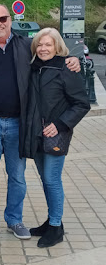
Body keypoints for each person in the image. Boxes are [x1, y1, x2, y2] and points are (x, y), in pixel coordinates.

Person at [0, 5, 80, 239]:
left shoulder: (26, 46)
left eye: (2, 18)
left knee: (17, 175)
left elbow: (49, 56)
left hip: (19, 124)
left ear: (10, 20)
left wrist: (70, 59)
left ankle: (14, 220)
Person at [21, 28, 89, 248]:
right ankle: (52, 222)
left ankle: (56, 227)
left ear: (57, 46)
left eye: (48, 45)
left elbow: (81, 104)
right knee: (46, 181)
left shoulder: (66, 68)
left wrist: (59, 125)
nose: (43, 49)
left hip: (55, 135)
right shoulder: (33, 68)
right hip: (37, 135)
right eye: (40, 44)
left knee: (52, 180)